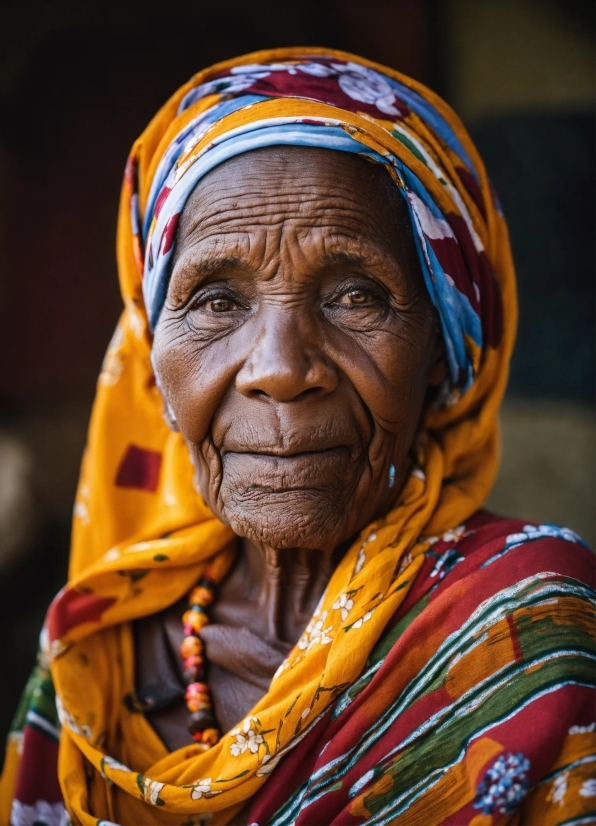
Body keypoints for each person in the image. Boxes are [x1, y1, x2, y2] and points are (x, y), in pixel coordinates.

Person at [1, 48, 594, 826]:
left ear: (446, 358)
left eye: (357, 295)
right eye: (216, 300)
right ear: (156, 370)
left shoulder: (529, 624)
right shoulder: (94, 645)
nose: (280, 369)